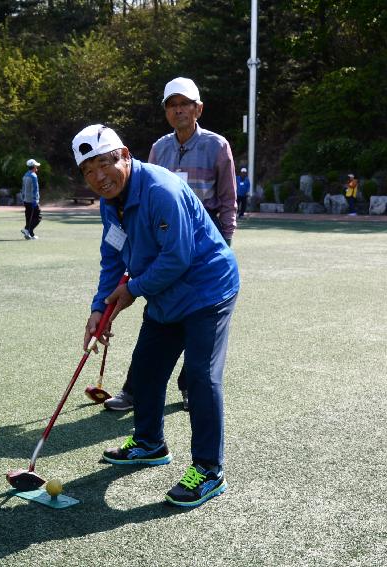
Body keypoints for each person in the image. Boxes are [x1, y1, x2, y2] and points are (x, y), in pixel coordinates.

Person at [73, 124, 239, 507]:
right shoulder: (109, 202)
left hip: (207, 290)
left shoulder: (161, 190)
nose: (99, 177)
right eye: (88, 171)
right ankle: (149, 443)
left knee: (200, 376)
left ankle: (209, 470)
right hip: (165, 295)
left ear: (125, 156)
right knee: (146, 370)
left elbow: (177, 257)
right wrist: (100, 308)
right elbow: (113, 256)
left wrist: (130, 291)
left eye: (104, 164)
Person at [104, 77, 237, 412]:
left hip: (201, 245)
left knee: (196, 327)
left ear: (198, 108)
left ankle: (189, 387)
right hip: (162, 244)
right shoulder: (159, 148)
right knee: (159, 321)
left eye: (185, 104)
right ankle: (135, 390)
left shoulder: (217, 145)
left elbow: (227, 200)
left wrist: (225, 242)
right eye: (172, 105)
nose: (178, 110)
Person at [20, 158, 42, 240]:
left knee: (29, 217)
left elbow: (23, 188)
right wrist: (35, 200)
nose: (37, 168)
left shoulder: (25, 175)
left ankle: (30, 234)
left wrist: (23, 198)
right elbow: (35, 189)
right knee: (38, 217)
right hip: (32, 200)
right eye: (36, 166)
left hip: (26, 200)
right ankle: (27, 229)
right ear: (33, 167)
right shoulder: (33, 176)